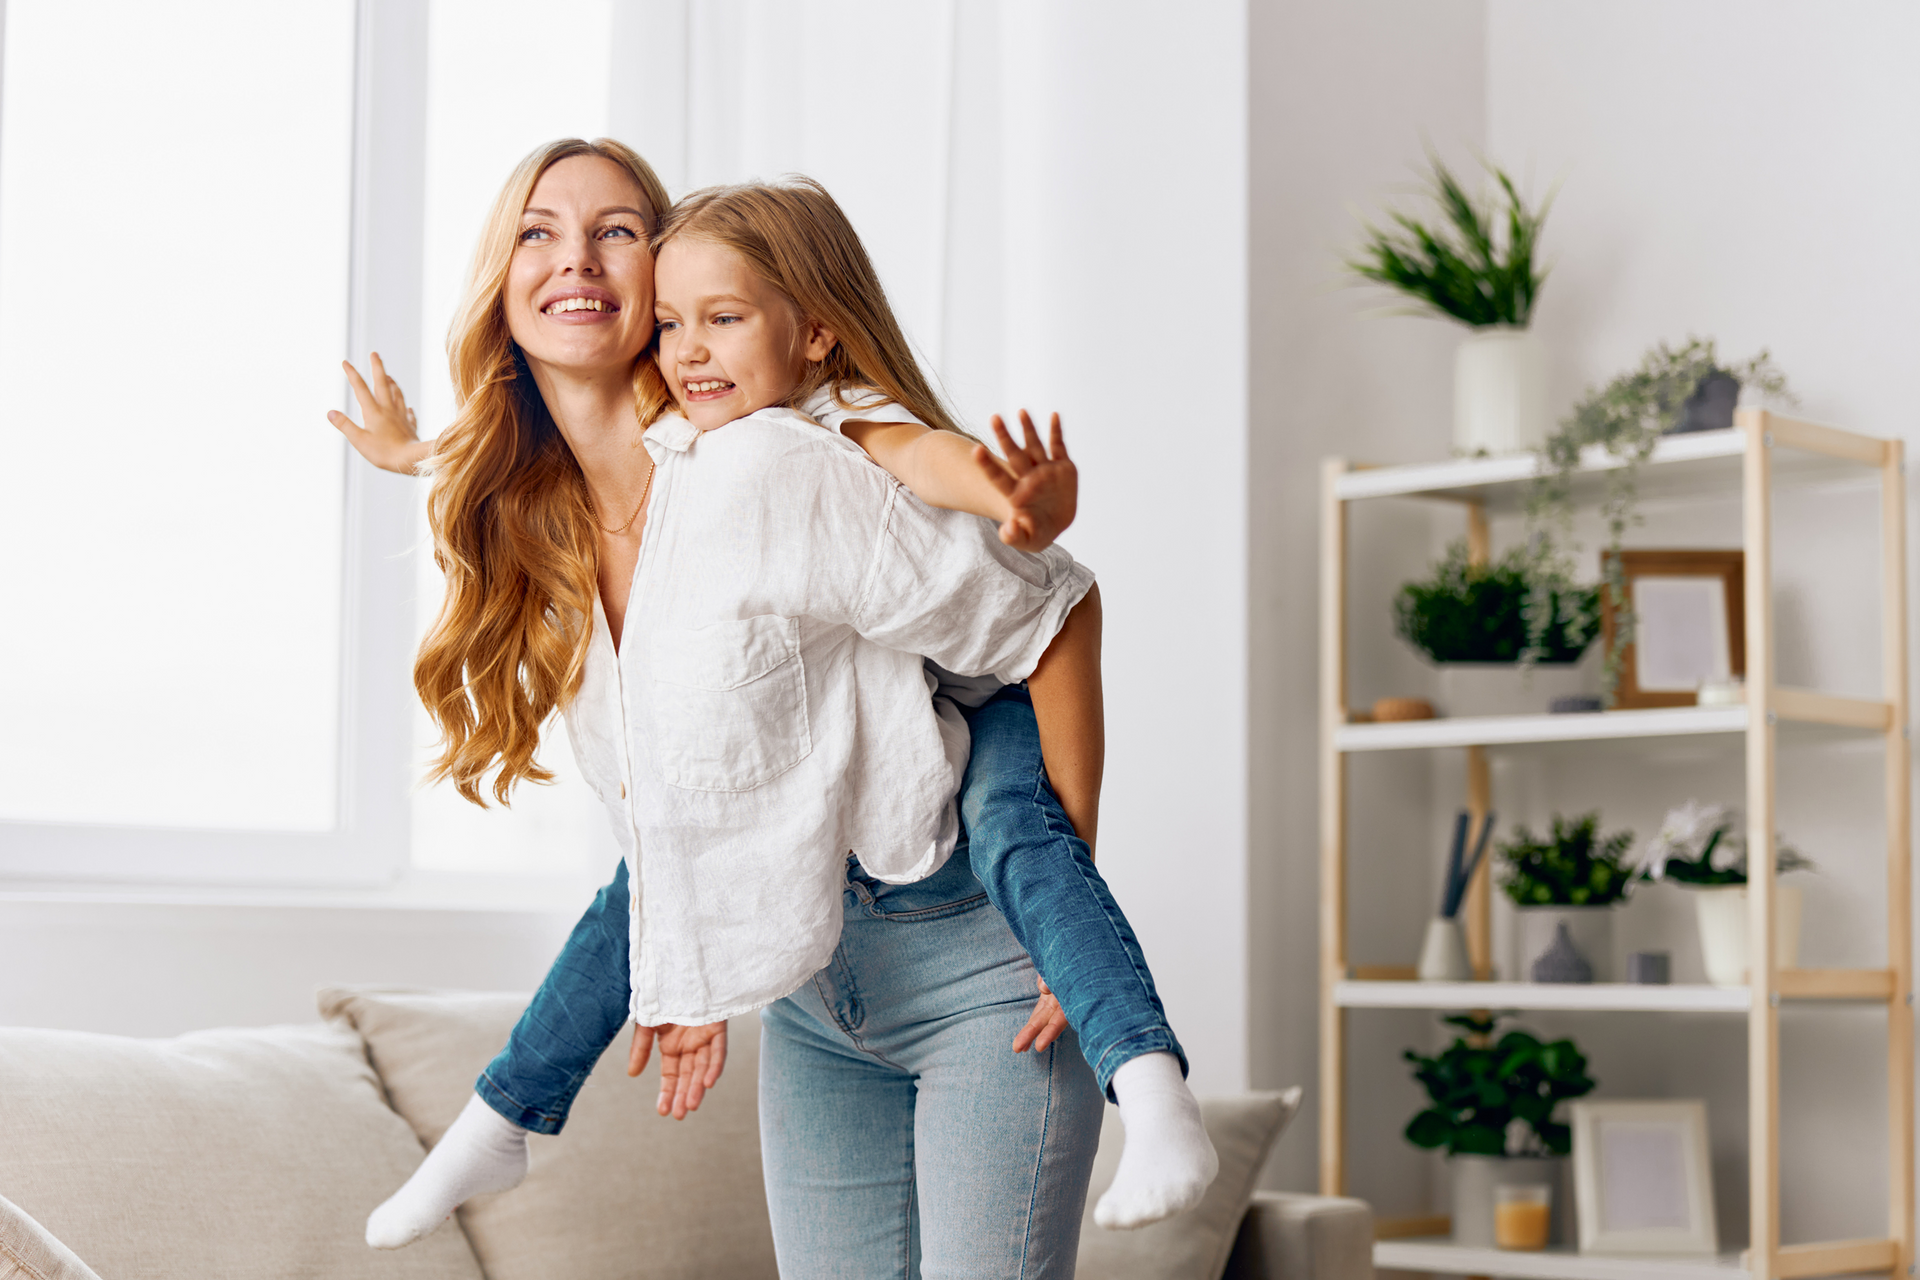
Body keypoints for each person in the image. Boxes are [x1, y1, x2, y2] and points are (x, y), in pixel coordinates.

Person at [334, 141, 1210, 1273]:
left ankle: (1151, 1076)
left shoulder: (777, 461)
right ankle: (500, 1119)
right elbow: (698, 791)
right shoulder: (536, 513)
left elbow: (1040, 601)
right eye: (538, 231)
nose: (578, 260)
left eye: (615, 231)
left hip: (973, 963)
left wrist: (1063, 892)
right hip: (812, 999)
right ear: (505, 280)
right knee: (635, 885)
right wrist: (690, 960)